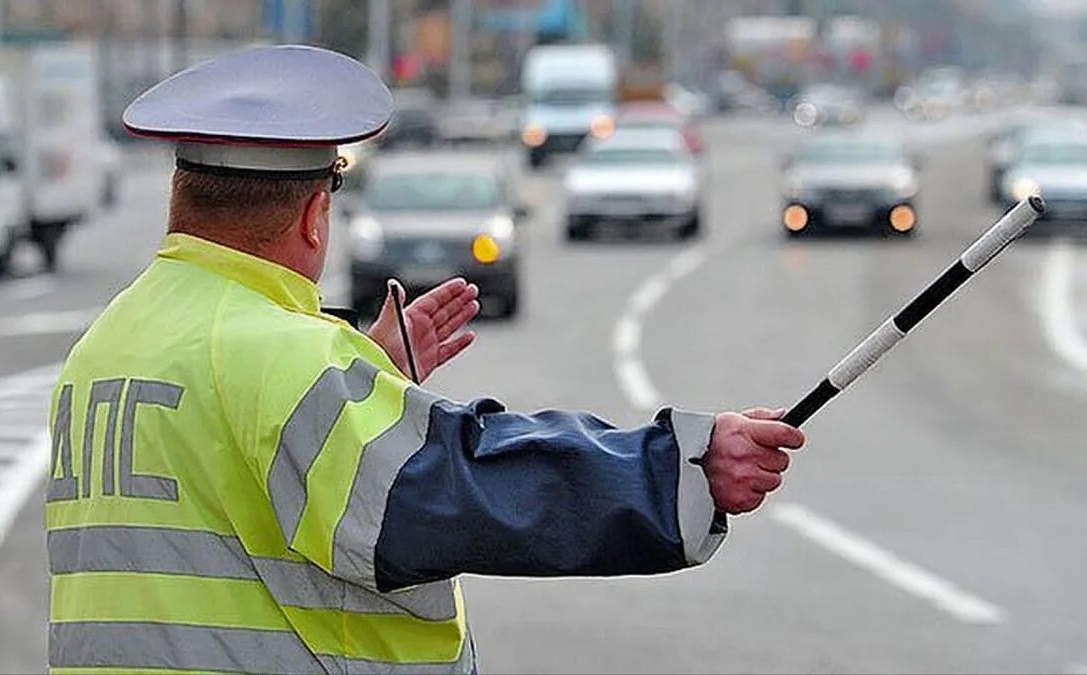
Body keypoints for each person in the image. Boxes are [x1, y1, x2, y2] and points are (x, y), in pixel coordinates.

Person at [45, 45, 806, 674]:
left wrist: (365, 384)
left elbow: (226, 490)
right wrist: (681, 469)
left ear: (182, 195)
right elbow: (467, 485)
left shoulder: (110, 342)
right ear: (315, 216)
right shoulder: (284, 359)